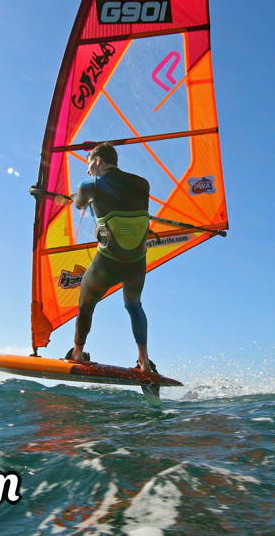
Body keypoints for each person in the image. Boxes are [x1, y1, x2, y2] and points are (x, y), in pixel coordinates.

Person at [67, 142, 156, 374]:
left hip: (109, 261)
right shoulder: (142, 183)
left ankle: (77, 353)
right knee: (134, 306)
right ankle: (144, 362)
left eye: (88, 163)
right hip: (136, 262)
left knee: (86, 302)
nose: (87, 170)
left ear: (98, 160)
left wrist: (79, 196)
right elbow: (128, 208)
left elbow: (78, 203)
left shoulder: (89, 184)